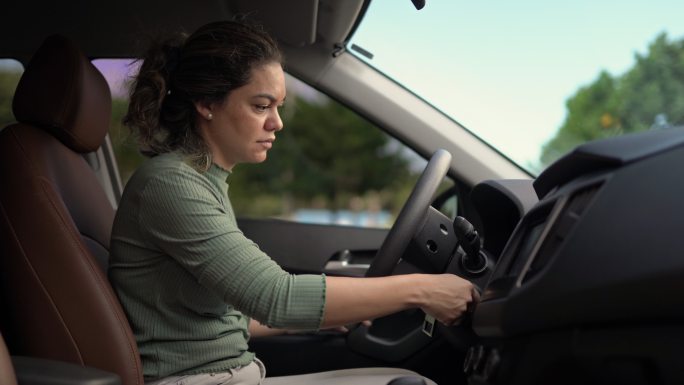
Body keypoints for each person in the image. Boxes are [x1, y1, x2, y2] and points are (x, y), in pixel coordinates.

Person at [108, 19, 477, 385]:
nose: (277, 123)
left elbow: (223, 317)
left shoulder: (201, 179)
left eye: (278, 106)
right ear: (207, 103)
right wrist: (424, 289)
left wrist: (333, 314)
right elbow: (273, 296)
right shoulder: (170, 185)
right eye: (261, 106)